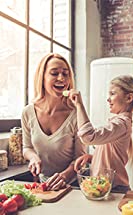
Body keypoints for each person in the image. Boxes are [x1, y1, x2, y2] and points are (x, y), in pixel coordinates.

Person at [21, 53, 86, 190]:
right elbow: (27, 148)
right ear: (42, 77)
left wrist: (65, 176)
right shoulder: (28, 112)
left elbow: (81, 158)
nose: (61, 78)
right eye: (54, 73)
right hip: (43, 184)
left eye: (65, 74)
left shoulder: (75, 114)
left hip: (72, 185)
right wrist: (33, 158)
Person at [67, 75, 133, 193]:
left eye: (112, 93)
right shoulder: (119, 123)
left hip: (114, 190)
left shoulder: (121, 124)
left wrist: (79, 105)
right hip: (106, 188)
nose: (108, 99)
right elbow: (112, 158)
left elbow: (88, 136)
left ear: (129, 98)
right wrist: (92, 158)